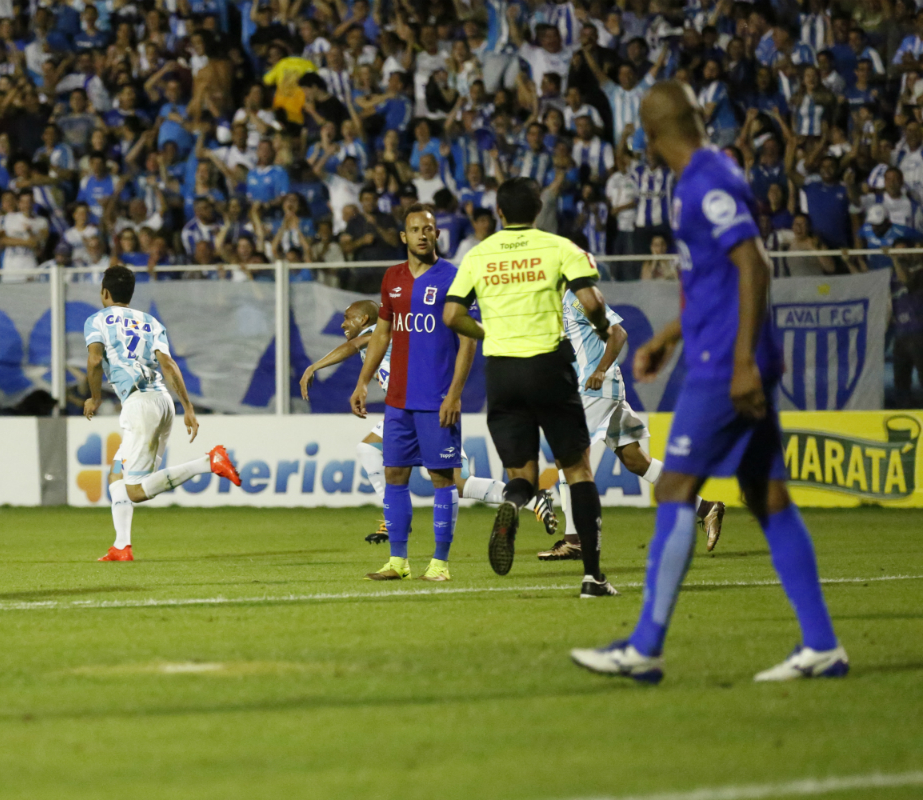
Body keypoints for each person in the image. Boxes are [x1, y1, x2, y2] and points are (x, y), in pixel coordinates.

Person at [571, 82, 848, 683]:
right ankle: (822, 645)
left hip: (725, 364)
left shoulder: (704, 181)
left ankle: (644, 647)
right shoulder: (705, 174)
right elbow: (713, 278)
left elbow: (754, 263)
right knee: (768, 496)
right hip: (723, 352)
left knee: (673, 488)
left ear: (647, 137)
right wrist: (666, 337)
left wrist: (743, 360)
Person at [443, 177, 619, 598]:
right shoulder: (560, 248)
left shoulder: (477, 254)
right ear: (538, 210)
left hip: (502, 372)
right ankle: (593, 578)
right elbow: (593, 303)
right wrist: (601, 328)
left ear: (499, 213)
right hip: (548, 367)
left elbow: (452, 314)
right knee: (577, 470)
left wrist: (486, 334)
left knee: (521, 474)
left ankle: (513, 502)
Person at [302, 299, 558, 543]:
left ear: (364, 318)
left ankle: (395, 520)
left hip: (424, 407)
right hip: (414, 408)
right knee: (457, 482)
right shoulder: (382, 333)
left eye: (347, 318)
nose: (342, 324)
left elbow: (353, 345)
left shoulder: (379, 330)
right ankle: (534, 498)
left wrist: (314, 366)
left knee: (386, 456)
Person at [536, 293, 727, 562]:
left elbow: (619, 333)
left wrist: (599, 370)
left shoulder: (577, 296)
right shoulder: (551, 302)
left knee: (568, 455)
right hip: (594, 390)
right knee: (637, 461)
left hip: (596, 388)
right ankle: (706, 508)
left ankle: (574, 540)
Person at [350, 205, 479, 583]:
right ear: (403, 237)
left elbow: (468, 339)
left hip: (437, 397)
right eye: (415, 229)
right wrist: (362, 381)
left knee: (442, 477)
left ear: (437, 234)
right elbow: (382, 334)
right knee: (394, 474)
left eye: (429, 228)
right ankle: (398, 562)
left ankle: (439, 564)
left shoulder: (454, 277)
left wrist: (454, 394)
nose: (423, 234)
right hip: (398, 400)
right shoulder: (392, 278)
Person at [82, 265, 242, 562]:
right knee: (117, 476)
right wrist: (188, 407)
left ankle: (208, 463)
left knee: (135, 491)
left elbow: (94, 361)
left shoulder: (97, 321)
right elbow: (168, 365)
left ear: (104, 292)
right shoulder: (150, 322)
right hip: (162, 402)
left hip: (139, 406)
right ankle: (121, 546)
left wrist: (93, 397)